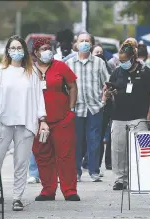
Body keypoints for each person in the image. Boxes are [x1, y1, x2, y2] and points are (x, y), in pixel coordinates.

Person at [0, 35, 49, 211]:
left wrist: (43, 120)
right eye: (13, 48)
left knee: (21, 162)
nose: (16, 51)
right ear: (8, 51)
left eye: (19, 48)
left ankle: (17, 197)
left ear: (24, 50)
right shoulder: (0, 71)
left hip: (26, 122)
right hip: (4, 122)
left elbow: (39, 97)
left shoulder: (32, 72)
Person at [105, 40, 150, 190]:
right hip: (119, 116)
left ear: (133, 57)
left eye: (125, 60)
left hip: (139, 115)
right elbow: (110, 88)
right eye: (120, 61)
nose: (122, 63)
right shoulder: (117, 72)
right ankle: (120, 179)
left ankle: (141, 176)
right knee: (118, 149)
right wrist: (110, 93)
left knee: (141, 148)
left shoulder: (145, 71)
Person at [31, 37, 81, 201]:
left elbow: (72, 86)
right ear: (36, 52)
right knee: (43, 155)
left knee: (65, 156)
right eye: (43, 48)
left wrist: (71, 109)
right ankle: (48, 190)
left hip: (62, 119)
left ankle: (69, 190)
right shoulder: (30, 70)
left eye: (49, 48)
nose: (47, 51)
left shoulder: (60, 66)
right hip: (39, 121)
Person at [65, 31, 110, 182]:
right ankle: (76, 171)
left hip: (94, 107)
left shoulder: (99, 62)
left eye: (87, 41)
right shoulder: (69, 64)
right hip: (76, 107)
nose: (84, 43)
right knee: (76, 141)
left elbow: (107, 83)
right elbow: (64, 86)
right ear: (76, 44)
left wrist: (103, 101)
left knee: (94, 140)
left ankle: (94, 171)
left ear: (91, 44)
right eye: (81, 40)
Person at [92, 43, 113, 172]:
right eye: (96, 52)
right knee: (97, 135)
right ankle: (94, 163)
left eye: (101, 52)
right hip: (95, 105)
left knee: (110, 134)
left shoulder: (108, 67)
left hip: (108, 104)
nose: (99, 54)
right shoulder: (89, 68)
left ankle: (109, 162)